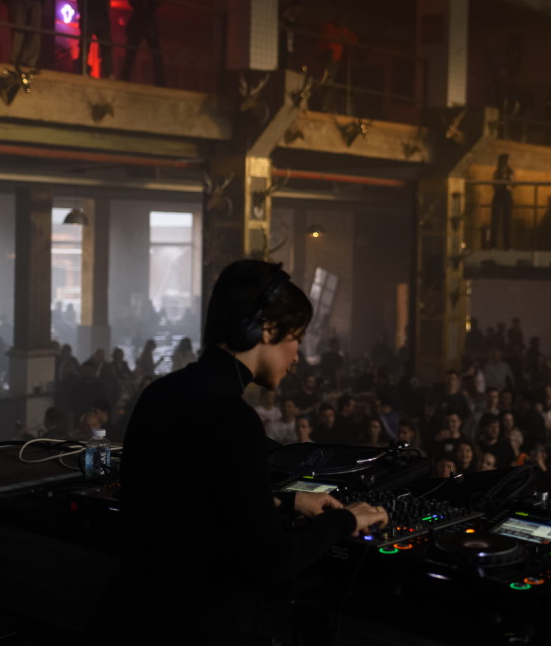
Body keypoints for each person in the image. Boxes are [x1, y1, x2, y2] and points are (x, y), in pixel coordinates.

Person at [115, 260, 387, 642]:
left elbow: (191, 507)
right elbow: (269, 564)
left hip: (130, 614)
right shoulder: (234, 418)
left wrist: (285, 502)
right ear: (266, 329)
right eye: (296, 337)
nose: (297, 356)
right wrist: (345, 520)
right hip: (191, 625)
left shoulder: (159, 393)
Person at [119, 0, 166, 86]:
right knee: (131, 53)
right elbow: (133, 3)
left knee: (156, 54)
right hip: (138, 25)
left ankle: (160, 82)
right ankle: (124, 78)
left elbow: (156, 5)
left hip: (150, 25)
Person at [76, 0, 112, 78]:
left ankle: (109, 72)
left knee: (106, 45)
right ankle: (82, 70)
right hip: (89, 13)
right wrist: (82, 10)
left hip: (102, 16)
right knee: (85, 43)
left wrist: (107, 11)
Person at [490, 153, 514, 250]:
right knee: (495, 221)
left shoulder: (510, 172)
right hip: (499, 196)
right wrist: (502, 180)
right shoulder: (497, 172)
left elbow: (513, 184)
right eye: (507, 160)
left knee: (507, 221)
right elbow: (494, 185)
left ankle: (507, 245)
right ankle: (493, 245)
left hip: (507, 196)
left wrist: (508, 180)